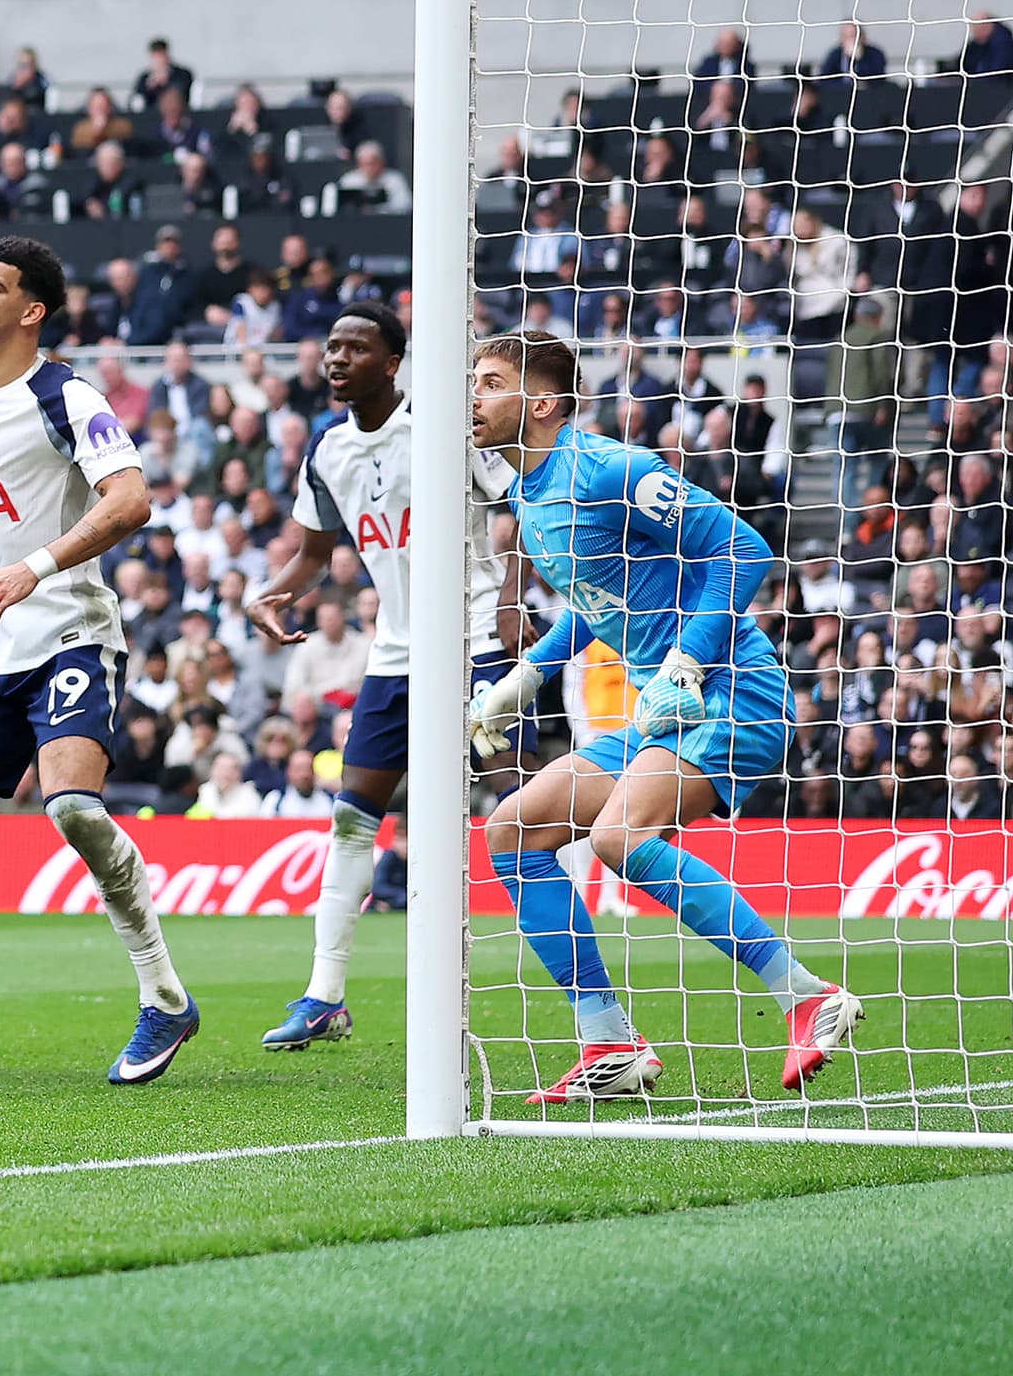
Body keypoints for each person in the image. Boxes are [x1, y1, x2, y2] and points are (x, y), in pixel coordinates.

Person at [465, 329, 860, 1102]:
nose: (471, 396)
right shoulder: (525, 492)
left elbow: (743, 550)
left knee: (618, 836)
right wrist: (525, 677)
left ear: (540, 401)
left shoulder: (612, 468)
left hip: (727, 687)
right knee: (513, 829)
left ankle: (805, 993)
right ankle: (608, 1041)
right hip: (661, 707)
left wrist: (685, 660)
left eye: (488, 381)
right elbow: (599, 602)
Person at [0, 237, 198, 1085]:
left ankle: (165, 997)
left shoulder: (67, 394)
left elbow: (130, 497)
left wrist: (38, 566)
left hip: (67, 631)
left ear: (31, 311)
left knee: (73, 810)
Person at [246, 300, 521, 1051]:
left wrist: (511, 597)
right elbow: (311, 552)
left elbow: (518, 500)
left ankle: (584, 974)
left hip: (472, 646)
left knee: (528, 801)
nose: (336, 357)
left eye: (355, 346)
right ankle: (323, 995)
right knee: (351, 817)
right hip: (396, 655)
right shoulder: (329, 450)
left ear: (392, 361)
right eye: (331, 346)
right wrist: (270, 591)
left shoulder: (442, 427)